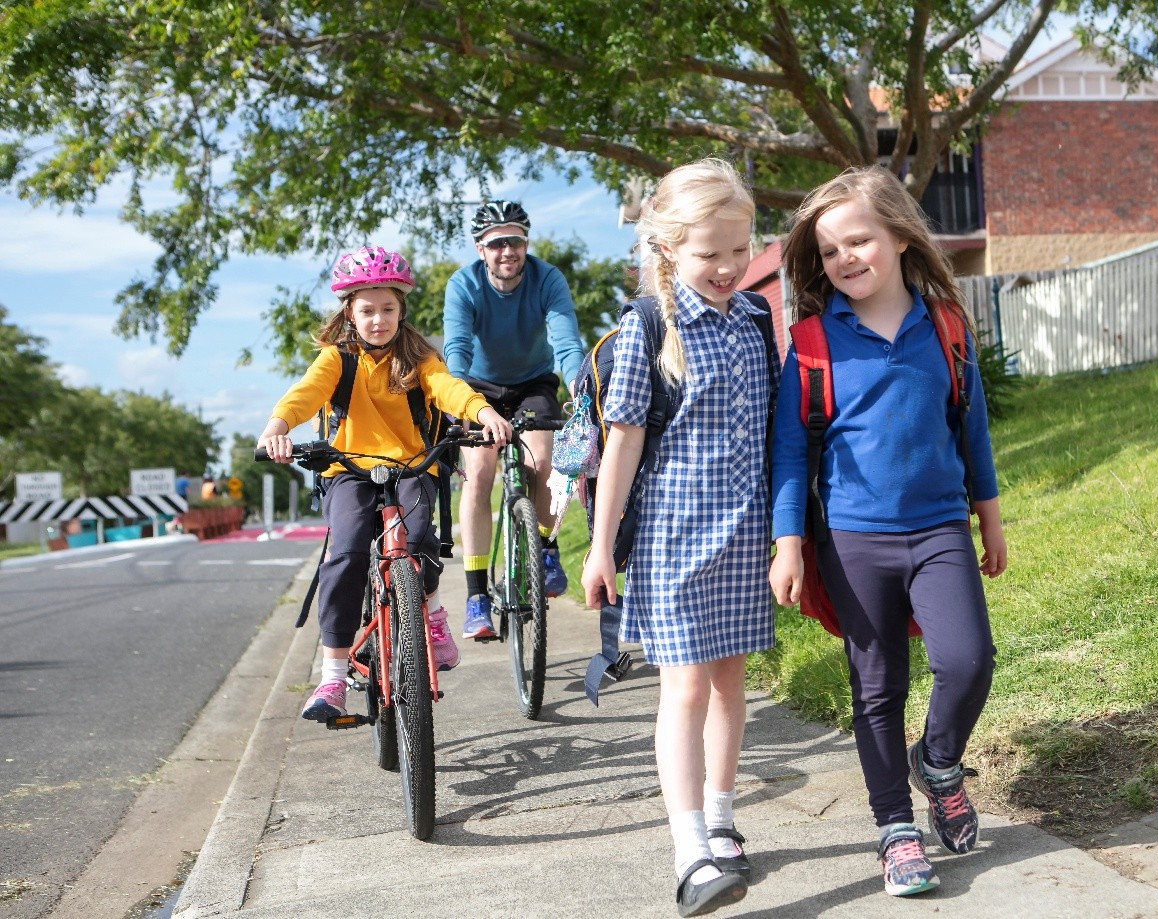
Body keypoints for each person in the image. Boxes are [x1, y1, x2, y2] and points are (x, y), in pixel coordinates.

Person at [769, 167, 1008, 897]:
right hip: (851, 538)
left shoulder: (945, 326)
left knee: (968, 662)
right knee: (876, 688)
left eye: (859, 240)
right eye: (830, 249)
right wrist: (787, 544)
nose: (844, 258)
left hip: (939, 527)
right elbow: (788, 451)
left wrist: (988, 517)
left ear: (900, 236)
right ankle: (894, 830)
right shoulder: (810, 341)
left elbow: (971, 428)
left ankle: (937, 761)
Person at [581, 159, 777, 917]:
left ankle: (723, 820)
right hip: (671, 537)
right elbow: (621, 444)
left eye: (738, 250)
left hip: (741, 535)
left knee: (730, 681)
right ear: (668, 250)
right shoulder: (649, 328)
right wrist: (601, 547)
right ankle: (688, 844)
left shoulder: (756, 322)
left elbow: (771, 431)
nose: (727, 267)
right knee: (685, 685)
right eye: (708, 254)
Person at [259, 245, 513, 722]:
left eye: (388, 309)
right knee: (346, 553)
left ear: (402, 309)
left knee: (420, 542)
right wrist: (278, 426)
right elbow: (306, 394)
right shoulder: (339, 358)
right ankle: (333, 675)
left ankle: (432, 619)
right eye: (368, 310)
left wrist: (483, 412)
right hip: (348, 470)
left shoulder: (419, 356)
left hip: (413, 465)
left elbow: (448, 388)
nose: (379, 320)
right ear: (350, 313)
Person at [443, 200, 585, 641]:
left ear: (526, 243)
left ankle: (545, 550)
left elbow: (565, 341)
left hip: (532, 384)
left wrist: (582, 385)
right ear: (480, 248)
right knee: (479, 475)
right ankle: (476, 597)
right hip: (478, 389)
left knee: (545, 463)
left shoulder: (547, 278)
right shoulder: (463, 284)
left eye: (516, 241)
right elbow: (458, 348)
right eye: (497, 243)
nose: (508, 251)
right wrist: (458, 398)